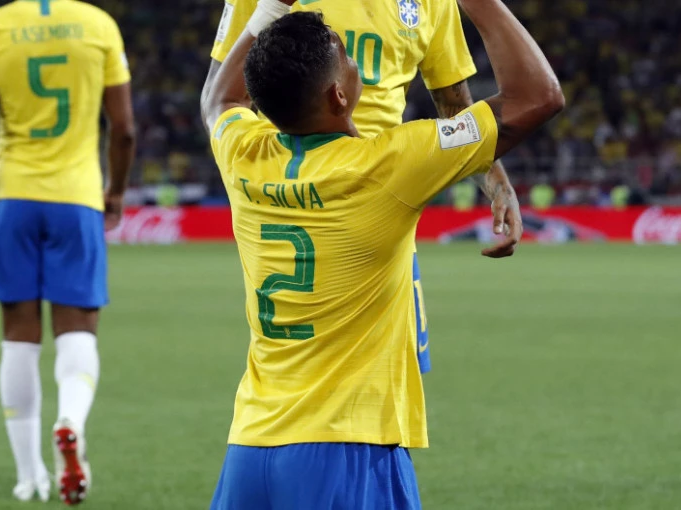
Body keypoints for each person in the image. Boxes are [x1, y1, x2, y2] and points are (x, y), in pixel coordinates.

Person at [200, 0, 563, 506]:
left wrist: (270, 8)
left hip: (250, 449)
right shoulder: (390, 167)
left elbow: (218, 98)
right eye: (347, 57)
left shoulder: (243, 154)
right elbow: (539, 96)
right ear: (340, 95)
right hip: (347, 450)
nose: (356, 62)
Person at [203, 0, 523, 376]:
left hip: (386, 201)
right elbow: (226, 89)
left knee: (391, 372)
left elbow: (454, 105)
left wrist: (498, 184)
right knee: (314, 366)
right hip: (303, 202)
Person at [0, 0, 135, 504]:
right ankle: (70, 422)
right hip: (76, 198)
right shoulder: (98, 26)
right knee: (78, 328)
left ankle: (28, 476)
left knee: (18, 337)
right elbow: (123, 129)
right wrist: (116, 191)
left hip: (11, 198)